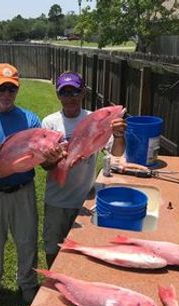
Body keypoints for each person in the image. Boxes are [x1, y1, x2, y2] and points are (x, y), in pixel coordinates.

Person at [0, 63, 61, 306]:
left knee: (27, 240)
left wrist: (51, 159)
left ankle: (28, 284)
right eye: (2, 88)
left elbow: (44, 164)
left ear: (17, 90)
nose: (7, 94)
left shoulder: (30, 119)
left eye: (12, 89)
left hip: (23, 192)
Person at [41, 71, 126, 268]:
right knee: (52, 247)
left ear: (83, 93)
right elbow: (44, 165)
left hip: (85, 201)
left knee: (82, 249)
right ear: (58, 95)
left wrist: (119, 135)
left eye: (74, 92)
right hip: (56, 200)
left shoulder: (96, 119)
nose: (70, 98)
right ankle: (51, 285)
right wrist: (57, 161)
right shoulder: (49, 122)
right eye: (65, 93)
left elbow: (117, 153)